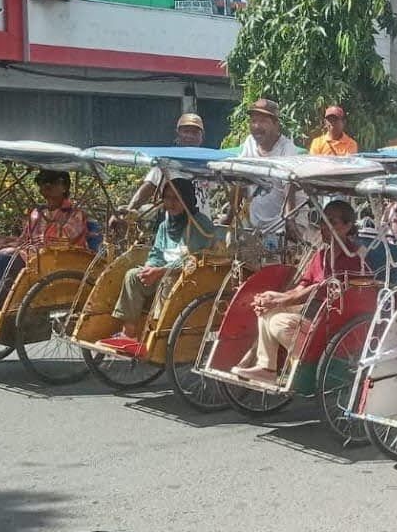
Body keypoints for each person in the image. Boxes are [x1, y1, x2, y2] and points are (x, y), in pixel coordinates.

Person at [232, 200, 364, 383]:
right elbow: (304, 285)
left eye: (332, 222)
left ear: (348, 226)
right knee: (265, 309)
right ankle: (266, 367)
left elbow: (319, 290)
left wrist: (280, 301)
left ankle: (302, 362)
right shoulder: (321, 254)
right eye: (323, 221)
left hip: (330, 316)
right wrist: (274, 296)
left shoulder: (352, 259)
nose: (325, 227)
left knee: (279, 323)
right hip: (310, 309)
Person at [0, 170, 89, 330]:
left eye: (51, 183)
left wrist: (14, 251)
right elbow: (24, 239)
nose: (45, 187)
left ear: (64, 187)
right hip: (29, 255)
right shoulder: (37, 212)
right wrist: (4, 246)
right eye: (42, 183)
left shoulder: (75, 214)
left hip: (54, 260)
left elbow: (58, 242)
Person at [103, 178, 216, 348]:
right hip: (163, 272)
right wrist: (150, 267)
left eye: (176, 199)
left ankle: (155, 335)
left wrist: (161, 272)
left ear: (187, 199)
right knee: (133, 276)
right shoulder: (165, 224)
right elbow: (156, 252)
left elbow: (194, 260)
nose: (171, 203)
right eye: (167, 198)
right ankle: (129, 334)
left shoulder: (201, 224)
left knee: (167, 281)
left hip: (189, 278)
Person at [114, 114, 206, 225]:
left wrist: (227, 218)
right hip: (174, 225)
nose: (190, 136)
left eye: (195, 132)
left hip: (202, 225)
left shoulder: (209, 165)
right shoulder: (166, 163)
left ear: (201, 137)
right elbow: (148, 187)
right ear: (178, 134)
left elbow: (232, 186)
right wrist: (129, 210)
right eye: (186, 131)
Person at [238, 99, 302, 236]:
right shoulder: (249, 143)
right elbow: (239, 178)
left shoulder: (287, 149)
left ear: (276, 125)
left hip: (280, 224)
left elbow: (288, 185)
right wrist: (230, 216)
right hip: (255, 224)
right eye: (253, 121)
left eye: (263, 121)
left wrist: (290, 220)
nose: (256, 126)